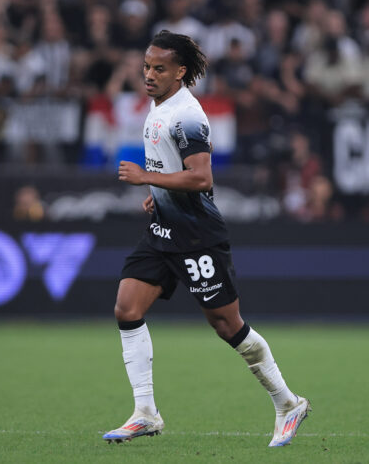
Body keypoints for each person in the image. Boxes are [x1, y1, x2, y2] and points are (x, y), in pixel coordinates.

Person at [103, 31, 310, 447]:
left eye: (159, 68)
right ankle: (145, 413)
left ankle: (288, 402)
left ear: (180, 72)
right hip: (163, 229)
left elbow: (202, 177)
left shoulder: (188, 114)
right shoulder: (158, 105)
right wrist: (157, 193)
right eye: (146, 66)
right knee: (127, 308)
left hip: (197, 237)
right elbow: (175, 169)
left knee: (226, 325)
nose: (148, 74)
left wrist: (147, 178)